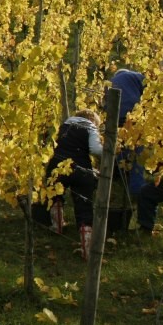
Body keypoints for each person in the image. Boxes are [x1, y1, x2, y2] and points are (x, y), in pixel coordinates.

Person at [45, 109, 103, 259]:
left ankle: (57, 226)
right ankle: (87, 248)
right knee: (84, 204)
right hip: (81, 169)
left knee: (55, 195)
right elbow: (96, 149)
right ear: (92, 120)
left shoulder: (64, 125)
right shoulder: (90, 127)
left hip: (58, 165)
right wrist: (108, 152)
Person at [110, 68, 146, 195]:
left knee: (121, 145)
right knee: (137, 150)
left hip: (115, 116)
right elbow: (151, 92)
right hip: (134, 114)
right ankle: (137, 188)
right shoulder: (137, 76)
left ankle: (120, 177)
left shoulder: (111, 81)